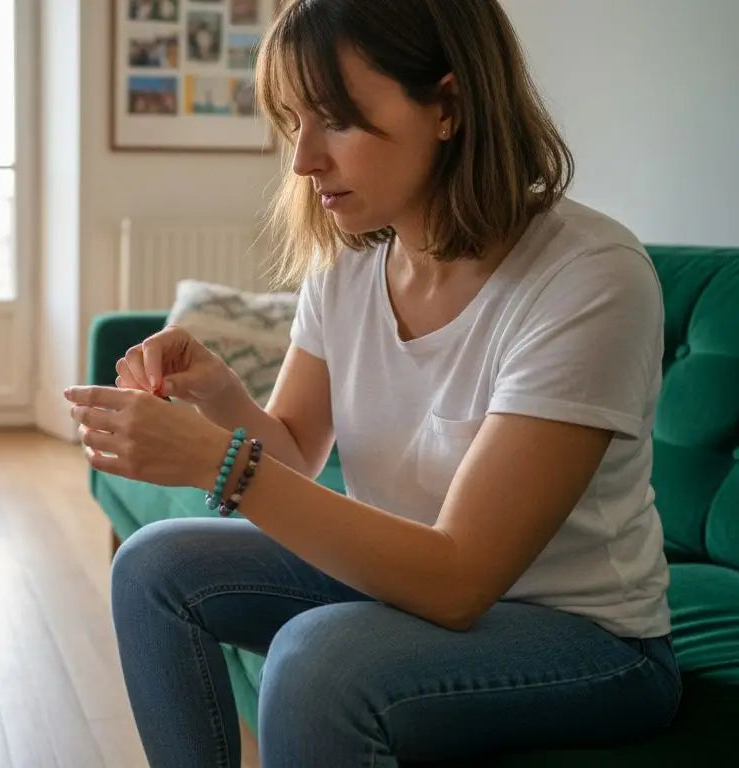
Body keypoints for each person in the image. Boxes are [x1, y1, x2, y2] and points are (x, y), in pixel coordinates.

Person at [63, 0, 681, 765]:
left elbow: (459, 580)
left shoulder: (587, 278)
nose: (303, 159)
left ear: (448, 106)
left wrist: (213, 463)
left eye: (337, 120)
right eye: (293, 122)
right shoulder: (349, 267)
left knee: (320, 666)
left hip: (585, 637)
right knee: (152, 565)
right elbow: (291, 460)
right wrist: (220, 397)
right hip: (400, 584)